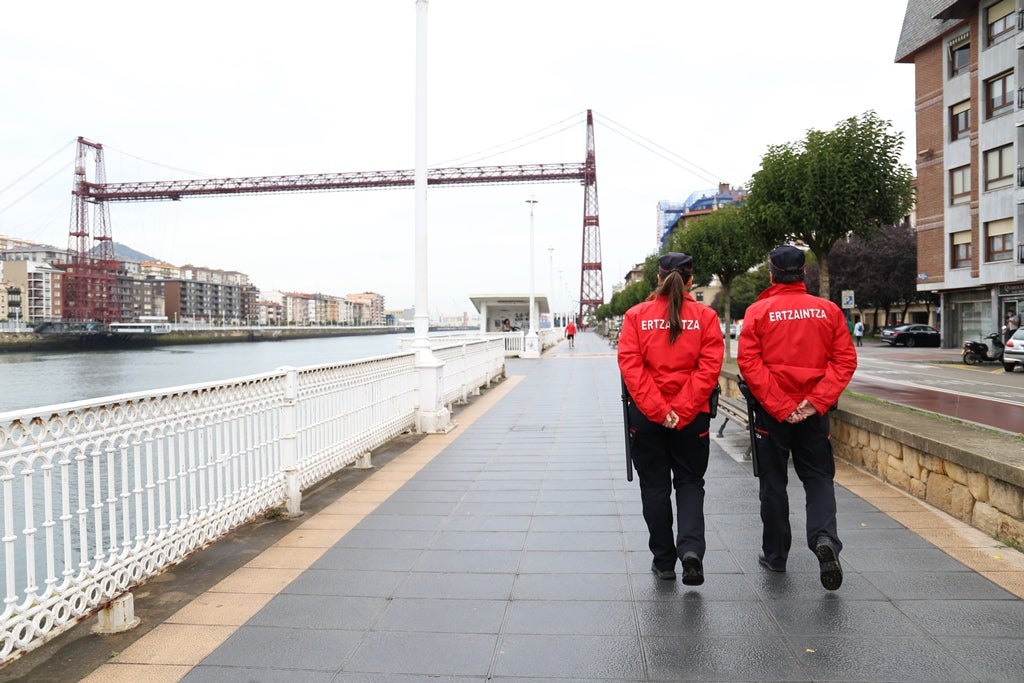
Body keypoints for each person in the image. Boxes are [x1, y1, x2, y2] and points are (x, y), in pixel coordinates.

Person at [736, 245, 858, 591]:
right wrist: (813, 402)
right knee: (818, 478)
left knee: (773, 484)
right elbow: (844, 361)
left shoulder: (759, 312)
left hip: (772, 416)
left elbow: (750, 363)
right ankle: (824, 539)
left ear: (772, 274)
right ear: (804, 273)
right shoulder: (829, 311)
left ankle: (776, 556)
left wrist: (780, 404)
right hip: (813, 413)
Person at [617, 252, 724, 585]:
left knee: (655, 488)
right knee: (691, 483)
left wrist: (661, 411)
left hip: (648, 419)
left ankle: (664, 562)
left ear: (658, 278)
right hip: (692, 419)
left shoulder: (636, 316)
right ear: (691, 281)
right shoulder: (705, 317)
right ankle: (691, 550)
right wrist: (682, 410)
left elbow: (631, 369)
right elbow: (709, 369)